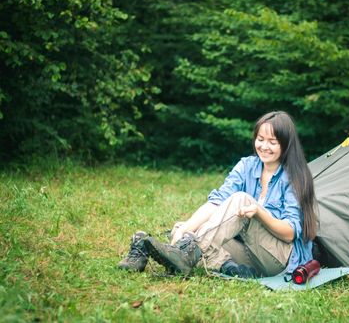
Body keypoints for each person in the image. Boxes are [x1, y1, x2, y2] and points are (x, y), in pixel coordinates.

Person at [117, 111, 317, 278]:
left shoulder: (295, 176)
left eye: (272, 142)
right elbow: (217, 202)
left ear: (286, 144)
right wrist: (187, 228)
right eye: (260, 139)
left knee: (241, 199)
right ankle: (214, 262)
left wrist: (258, 211)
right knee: (188, 227)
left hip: (279, 258)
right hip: (249, 252)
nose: (264, 146)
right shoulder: (246, 165)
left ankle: (185, 253)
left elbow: (290, 233)